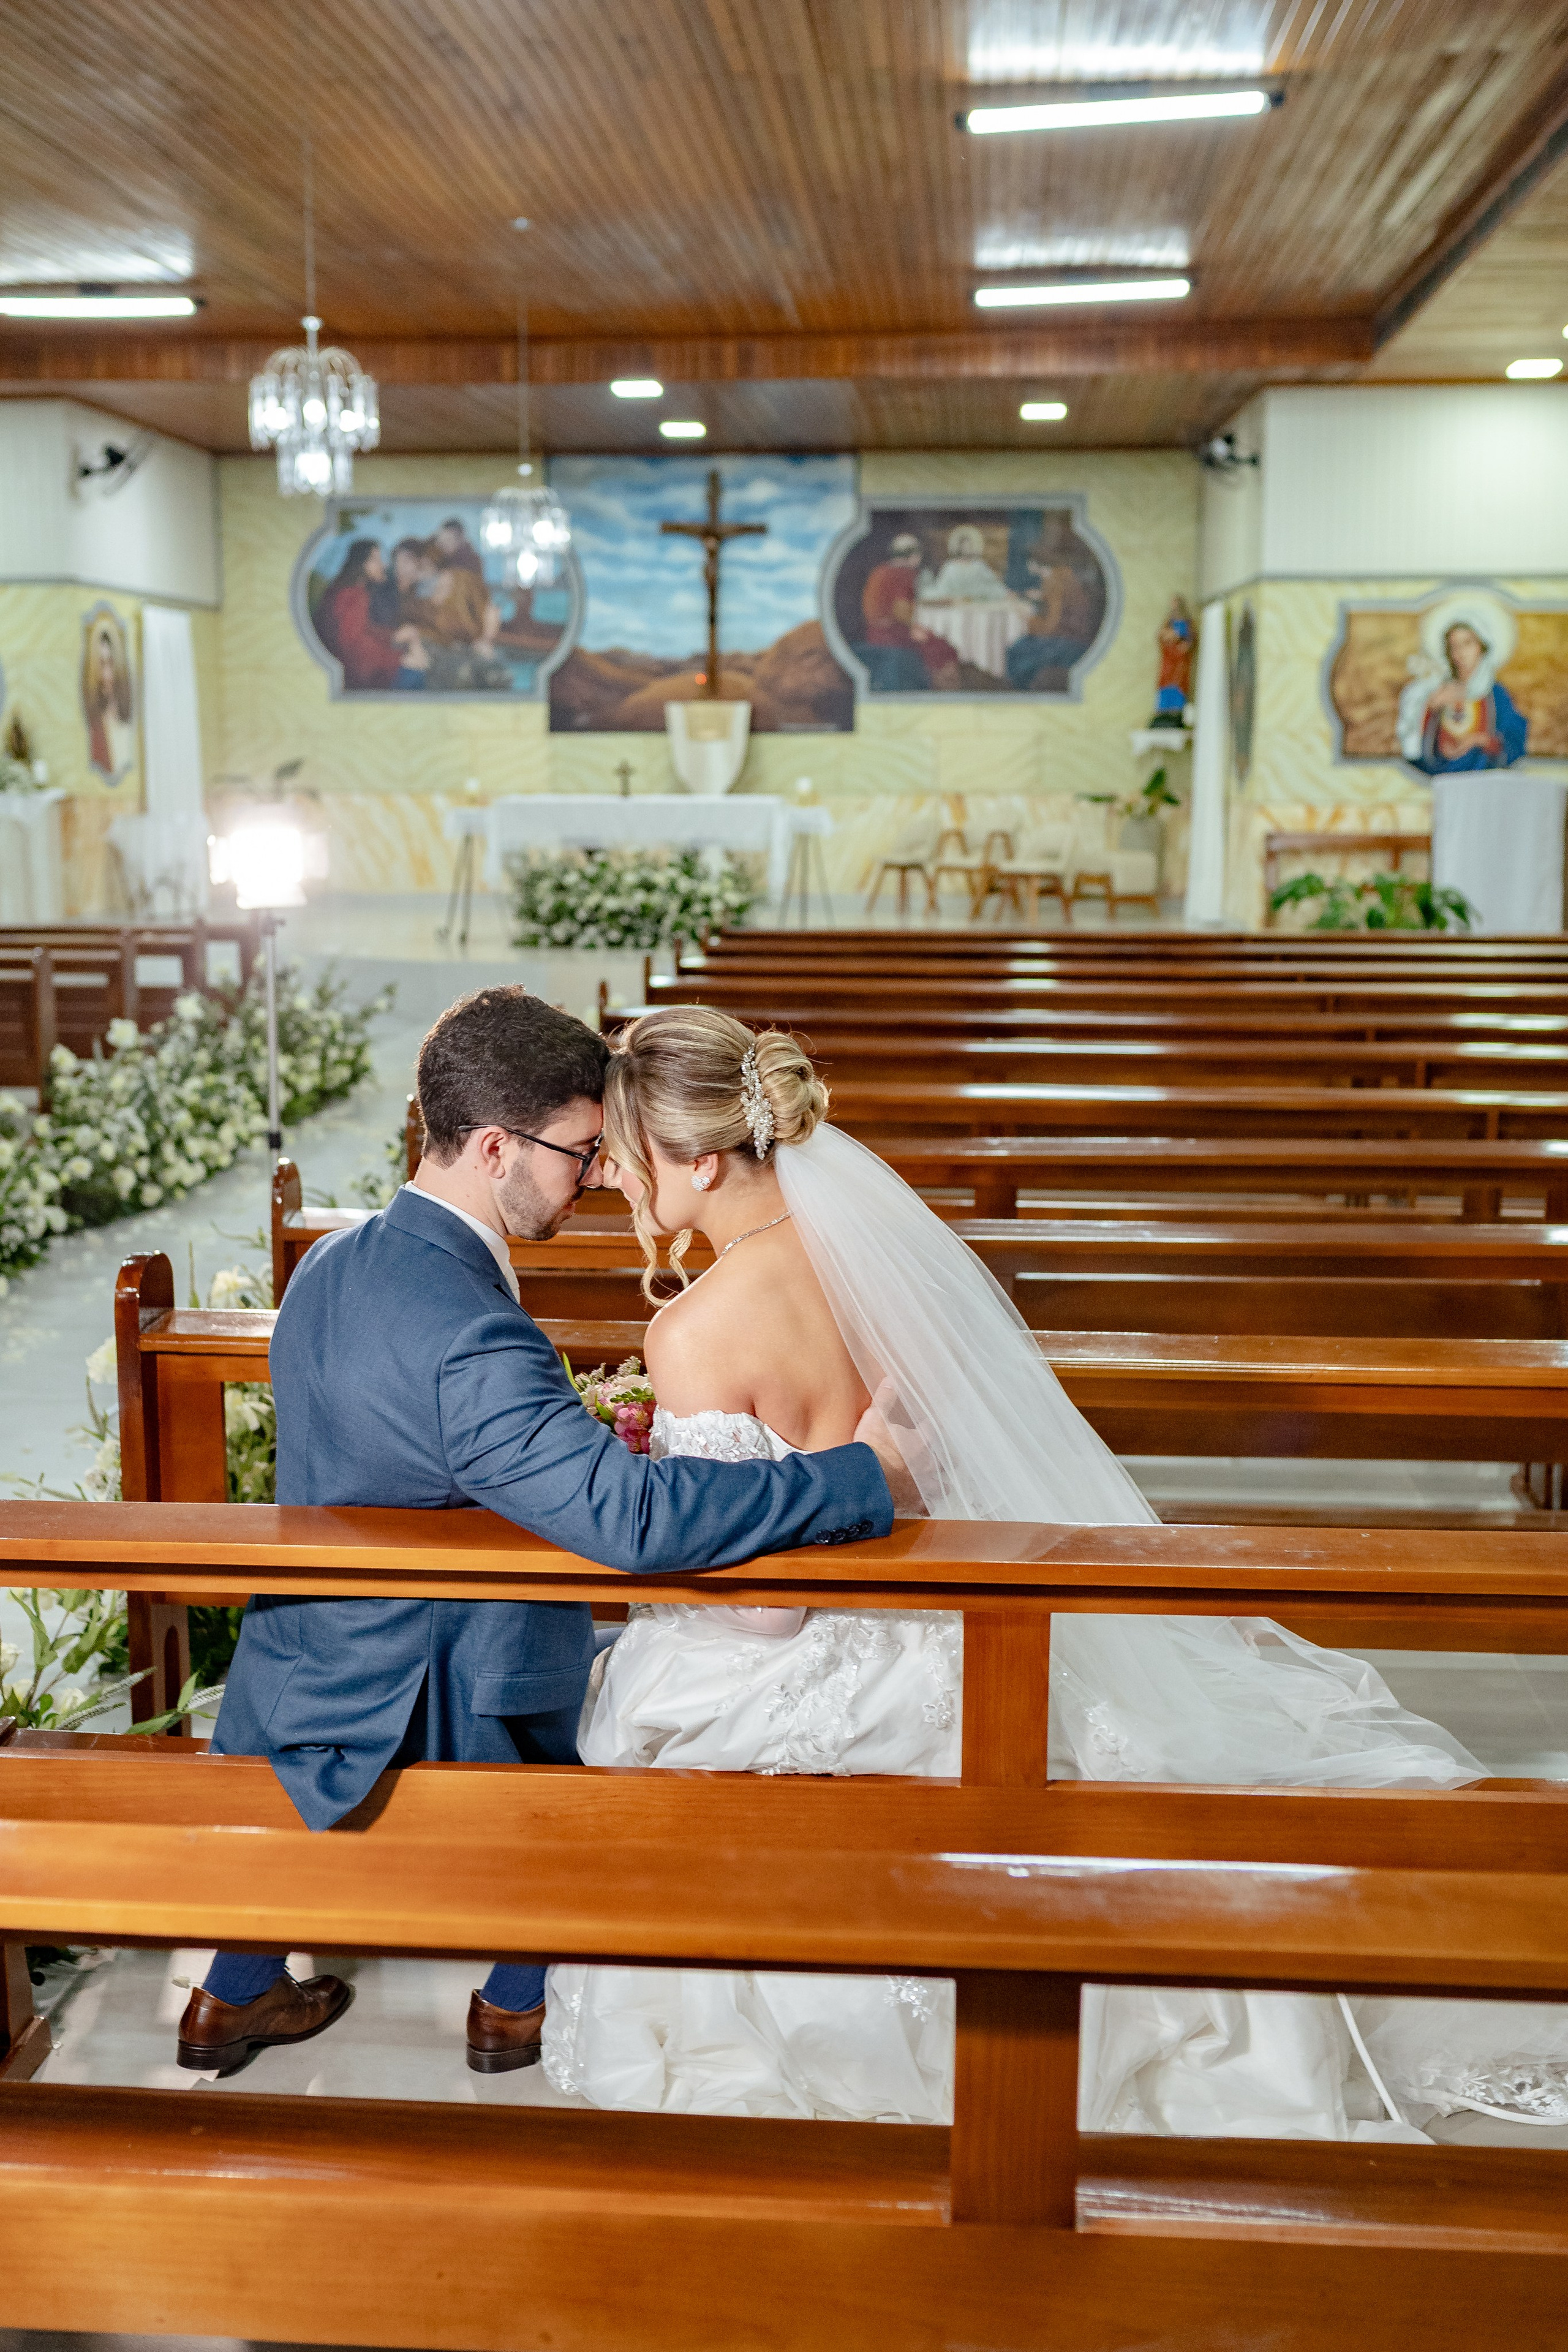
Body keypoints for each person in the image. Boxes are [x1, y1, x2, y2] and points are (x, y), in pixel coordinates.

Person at [542, 1007, 1567, 2138]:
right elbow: (934, 1471)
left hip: (808, 1647)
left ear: (698, 1158)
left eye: (629, 1158)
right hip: (942, 1613)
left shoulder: (693, 1332)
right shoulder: (873, 1271)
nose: (616, 1182)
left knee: (631, 1700)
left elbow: (770, 1615)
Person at [175, 989, 908, 2081]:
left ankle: (232, 1992)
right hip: (435, 1677)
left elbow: (406, 1452)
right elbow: (629, 1520)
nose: (596, 1176)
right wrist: (863, 1474)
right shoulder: (470, 1329)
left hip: (303, 1655)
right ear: (492, 1146)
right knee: (618, 1706)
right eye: (577, 1152)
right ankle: (520, 1999)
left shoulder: (336, 1263)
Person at [1398, 617, 1528, 773]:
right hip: (1441, 776)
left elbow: (1514, 740)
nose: (1460, 653)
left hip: (1482, 776)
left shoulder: (1495, 694)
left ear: (1482, 647)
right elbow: (1414, 746)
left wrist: (1477, 740)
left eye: (1468, 643)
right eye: (1454, 646)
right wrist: (1429, 709)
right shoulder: (1437, 690)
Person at [314, 540, 429, 691]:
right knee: (415, 675)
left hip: (352, 665)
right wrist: (398, 660)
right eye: (376, 560)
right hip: (349, 674)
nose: (384, 565)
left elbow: (360, 630)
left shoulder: (355, 590)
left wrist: (392, 636)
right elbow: (352, 646)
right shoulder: (351, 595)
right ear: (362, 563)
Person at [858, 532, 960, 690]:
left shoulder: (880, 570)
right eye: (917, 554)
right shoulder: (903, 573)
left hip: (874, 633)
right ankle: (942, 690)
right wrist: (916, 629)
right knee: (943, 647)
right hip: (893, 634)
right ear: (911, 555)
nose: (919, 559)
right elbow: (901, 610)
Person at [82, 612, 134, 779]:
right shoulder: (96, 724)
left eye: (110, 663)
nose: (106, 675)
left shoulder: (125, 719)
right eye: (101, 665)